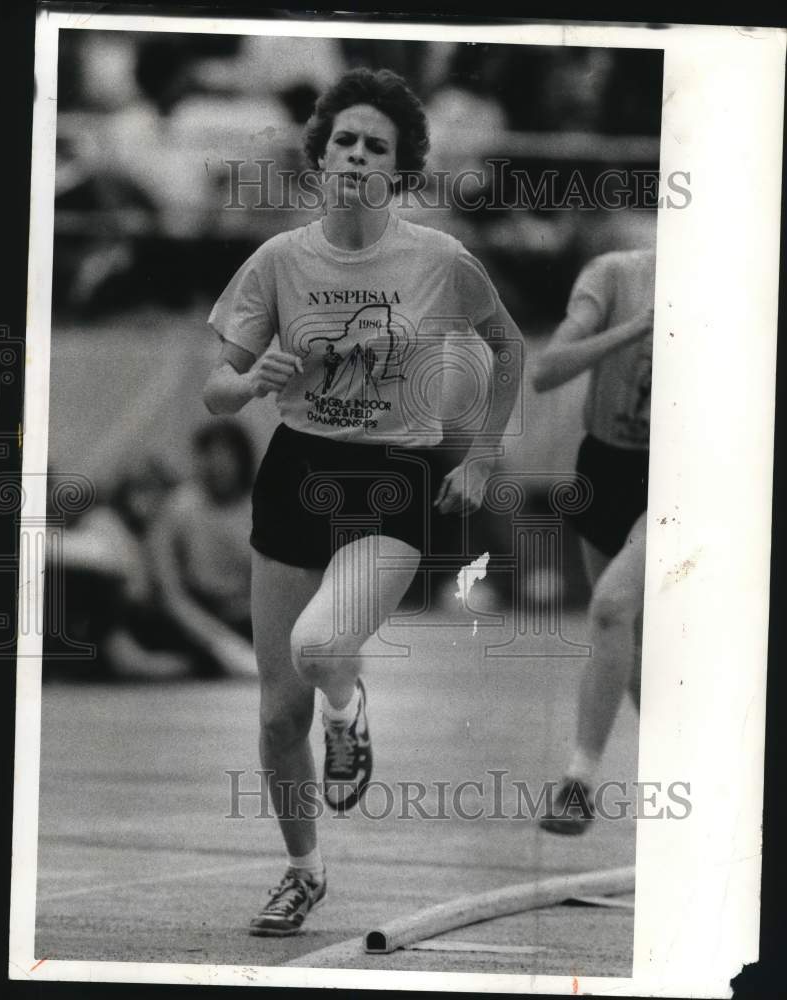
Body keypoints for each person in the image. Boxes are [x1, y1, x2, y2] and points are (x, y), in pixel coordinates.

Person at [203, 68, 525, 935]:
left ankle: (351, 714)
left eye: (374, 146)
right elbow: (215, 389)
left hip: (393, 478)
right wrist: (245, 384)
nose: (355, 155)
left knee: (319, 647)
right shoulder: (278, 260)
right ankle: (302, 872)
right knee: (276, 715)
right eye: (343, 140)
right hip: (297, 470)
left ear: (400, 168)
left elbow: (508, 347)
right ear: (320, 155)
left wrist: (483, 457)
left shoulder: (438, 260)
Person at [531, 247, 655, 834]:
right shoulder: (615, 274)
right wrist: (636, 328)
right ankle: (702, 787)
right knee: (632, 658)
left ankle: (578, 783)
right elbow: (546, 369)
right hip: (604, 467)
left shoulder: (737, 286)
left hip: (676, 475)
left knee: (610, 608)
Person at [147, 417, 256, 678]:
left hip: (249, 615)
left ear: (242, 461)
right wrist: (221, 643)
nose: (219, 466)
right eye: (210, 456)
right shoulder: (178, 508)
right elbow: (171, 594)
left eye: (227, 457)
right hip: (193, 615)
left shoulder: (262, 505)